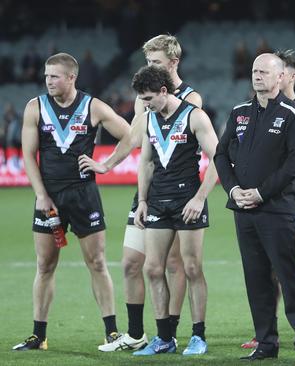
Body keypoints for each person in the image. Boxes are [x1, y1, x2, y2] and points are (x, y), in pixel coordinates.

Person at [79, 34, 203, 351]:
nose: (150, 68)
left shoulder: (191, 99)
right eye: (148, 62)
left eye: (156, 62)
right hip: (147, 193)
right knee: (133, 263)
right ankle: (136, 334)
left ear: (174, 62)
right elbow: (134, 137)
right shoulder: (144, 96)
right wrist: (107, 164)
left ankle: (169, 333)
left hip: (178, 192)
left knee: (174, 265)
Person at [13, 53, 130, 351]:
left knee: (97, 262)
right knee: (45, 265)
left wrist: (106, 165)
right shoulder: (35, 107)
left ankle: (112, 333)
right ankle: (39, 336)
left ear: (71, 78)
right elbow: (28, 155)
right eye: (46, 76)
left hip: (84, 195)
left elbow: (130, 135)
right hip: (49, 196)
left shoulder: (93, 106)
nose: (48, 81)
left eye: (54, 76)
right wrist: (40, 194)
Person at [214, 53, 295, 362]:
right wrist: (233, 189)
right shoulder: (240, 111)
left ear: (280, 77)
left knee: (287, 275)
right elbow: (220, 155)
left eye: (264, 72)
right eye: (255, 71)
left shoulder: (293, 113)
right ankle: (266, 343)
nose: (258, 76)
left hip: (277, 208)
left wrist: (260, 192)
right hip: (243, 210)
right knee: (256, 278)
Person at [239, 49, 295, 349]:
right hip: (270, 197)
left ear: (289, 76)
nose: (268, 75)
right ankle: (267, 330)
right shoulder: (258, 108)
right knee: (269, 266)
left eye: (279, 71)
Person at [127, 65, 217, 356]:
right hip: (158, 201)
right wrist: (142, 201)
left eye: (150, 98)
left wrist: (200, 198)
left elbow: (218, 159)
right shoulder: (150, 120)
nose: (146, 104)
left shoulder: (194, 116)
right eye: (142, 99)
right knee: (152, 269)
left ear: (164, 91)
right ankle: (164, 338)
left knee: (191, 268)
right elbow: (147, 162)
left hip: (188, 201)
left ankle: (198, 336)